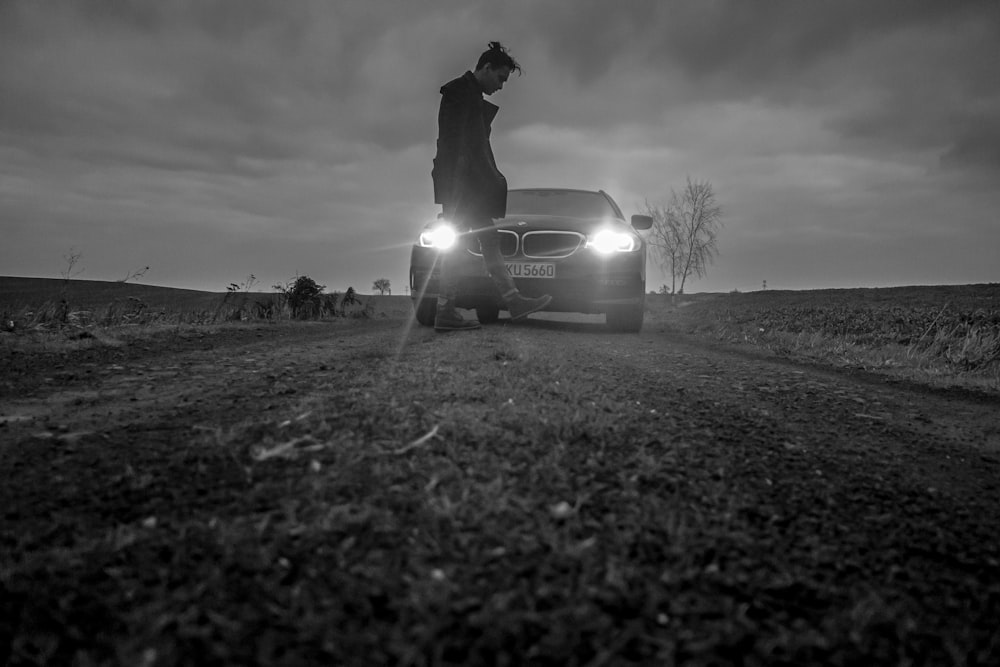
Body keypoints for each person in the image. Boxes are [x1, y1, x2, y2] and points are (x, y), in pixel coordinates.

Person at [431, 41, 552, 331]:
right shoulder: (458, 92)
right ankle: (446, 309)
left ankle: (512, 300)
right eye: (500, 78)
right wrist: (461, 194)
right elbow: (456, 145)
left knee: (489, 239)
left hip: (468, 185)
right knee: (459, 246)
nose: (501, 85)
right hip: (462, 186)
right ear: (486, 68)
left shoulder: (469, 95)